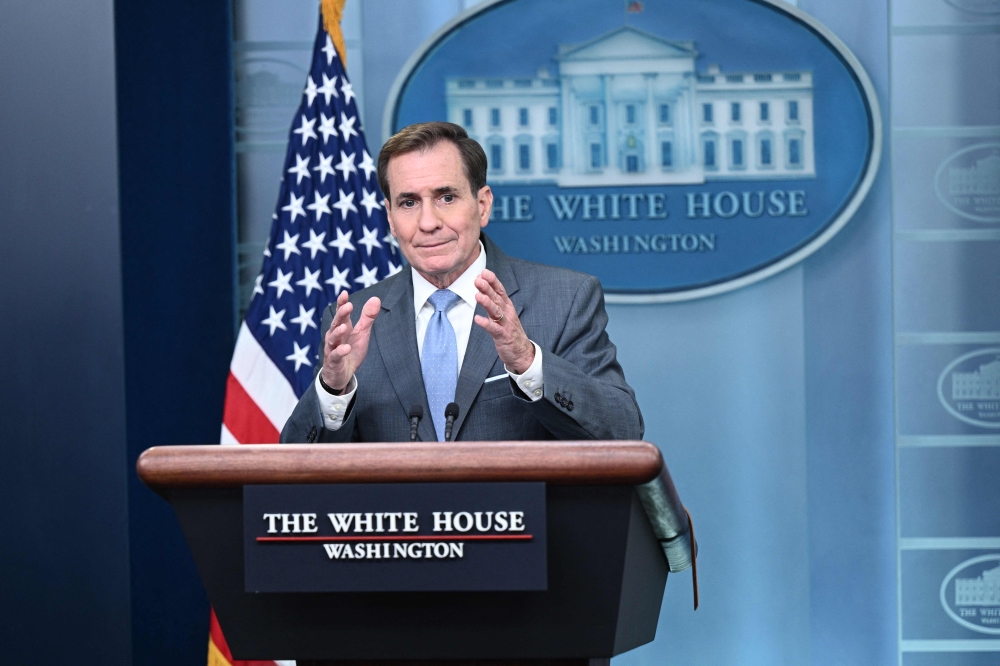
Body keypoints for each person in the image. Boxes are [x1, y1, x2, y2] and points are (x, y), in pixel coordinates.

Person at [280, 122, 642, 443]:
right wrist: (333, 389)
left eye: (446, 197)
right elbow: (295, 470)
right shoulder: (354, 320)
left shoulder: (564, 300)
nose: (428, 222)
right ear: (390, 219)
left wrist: (528, 362)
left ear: (482, 205)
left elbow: (622, 430)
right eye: (408, 203)